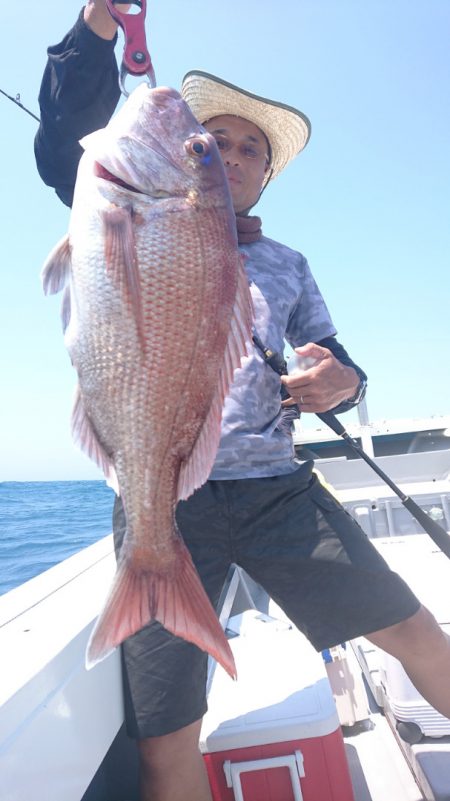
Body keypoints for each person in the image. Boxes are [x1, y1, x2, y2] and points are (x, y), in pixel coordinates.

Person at [35, 4, 450, 800]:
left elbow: (345, 361)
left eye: (247, 148)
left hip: (277, 493)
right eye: (212, 141)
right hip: (162, 505)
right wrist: (93, 31)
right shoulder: (118, 206)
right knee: (166, 742)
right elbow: (66, 139)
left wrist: (342, 381)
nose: (228, 153)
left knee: (419, 631)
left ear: (264, 175)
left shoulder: (289, 264)